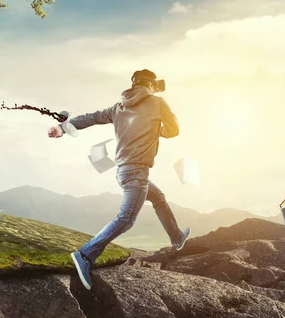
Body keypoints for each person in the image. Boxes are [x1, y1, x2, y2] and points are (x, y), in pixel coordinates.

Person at [47, 69, 191, 290]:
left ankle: (176, 237)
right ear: (151, 85)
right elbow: (174, 130)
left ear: (133, 85)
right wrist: (157, 129)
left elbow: (92, 117)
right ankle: (85, 255)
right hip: (137, 172)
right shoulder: (157, 102)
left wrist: (63, 128)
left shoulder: (118, 107)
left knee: (159, 197)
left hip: (123, 171)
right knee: (126, 219)